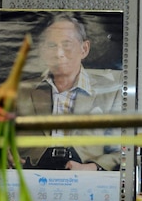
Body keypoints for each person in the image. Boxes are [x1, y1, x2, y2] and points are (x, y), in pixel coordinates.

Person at [15, 12, 123, 171]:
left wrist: (93, 168)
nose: (59, 53)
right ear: (42, 51)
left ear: (84, 49)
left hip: (86, 183)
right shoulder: (20, 92)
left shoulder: (110, 92)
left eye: (67, 44)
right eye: (52, 45)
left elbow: (122, 150)